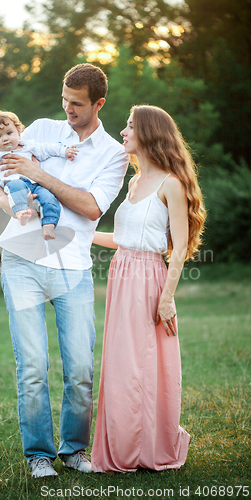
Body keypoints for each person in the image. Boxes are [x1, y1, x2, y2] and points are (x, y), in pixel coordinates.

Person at [0, 64, 129, 478]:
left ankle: (75, 449)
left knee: (80, 366)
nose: (67, 108)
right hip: (21, 260)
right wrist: (7, 205)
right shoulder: (42, 128)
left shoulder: (113, 154)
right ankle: (39, 454)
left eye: (76, 103)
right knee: (31, 366)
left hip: (73, 267)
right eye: (64, 98)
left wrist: (38, 174)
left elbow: (92, 207)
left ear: (98, 103)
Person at [91, 104, 206, 473]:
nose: (123, 133)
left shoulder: (170, 183)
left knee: (146, 364)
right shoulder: (134, 181)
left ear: (148, 133)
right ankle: (123, 446)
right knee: (121, 363)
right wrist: (80, 236)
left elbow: (179, 249)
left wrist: (167, 298)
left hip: (150, 280)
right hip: (121, 274)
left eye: (129, 127)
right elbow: (124, 239)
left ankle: (150, 445)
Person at [0, 110, 78, 240]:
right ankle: (20, 213)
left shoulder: (28, 146)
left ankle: (48, 227)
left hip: (35, 185)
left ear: (19, 132)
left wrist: (65, 151)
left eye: (9, 133)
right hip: (13, 184)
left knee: (49, 198)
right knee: (17, 186)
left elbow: (48, 148)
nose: (5, 138)